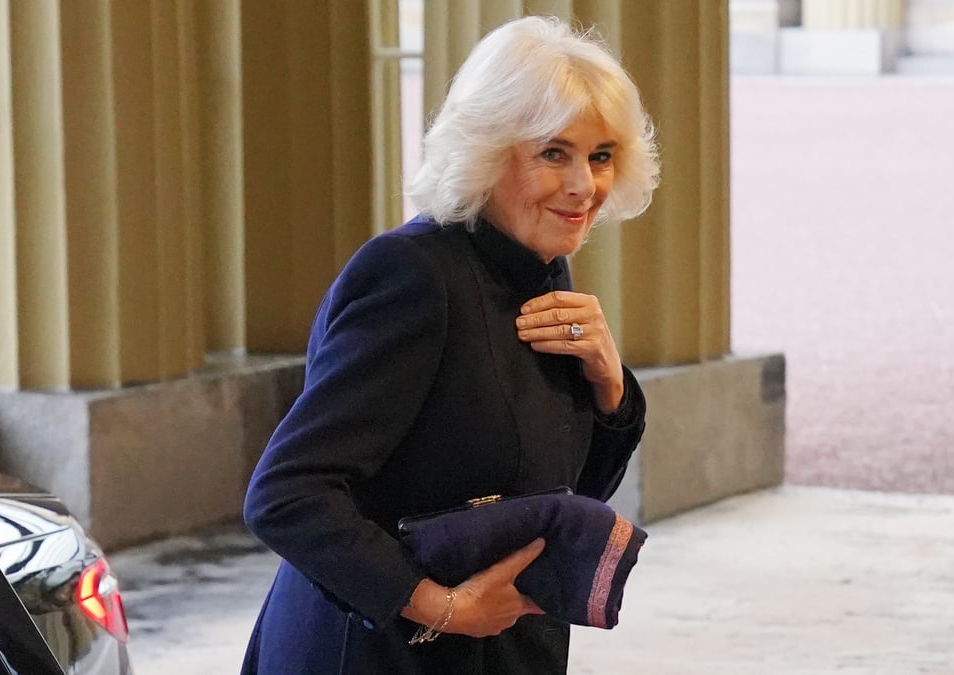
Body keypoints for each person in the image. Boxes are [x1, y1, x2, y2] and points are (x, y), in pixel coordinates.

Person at [241, 15, 659, 675]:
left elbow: (558, 496)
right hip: (375, 651)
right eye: (554, 152)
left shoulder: (541, 265)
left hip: (500, 647)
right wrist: (439, 605)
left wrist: (610, 389)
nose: (584, 186)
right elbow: (287, 494)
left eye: (601, 155)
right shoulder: (413, 276)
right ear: (489, 150)